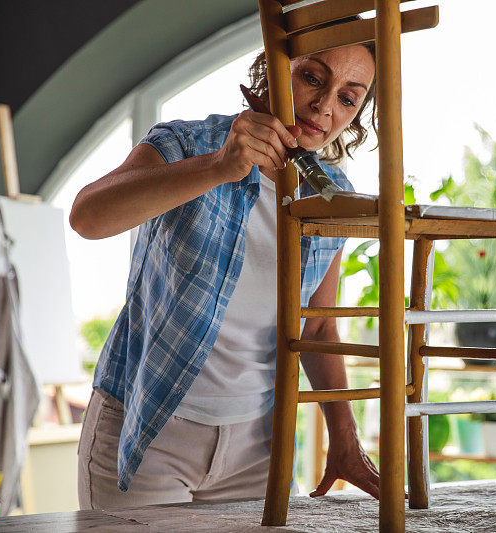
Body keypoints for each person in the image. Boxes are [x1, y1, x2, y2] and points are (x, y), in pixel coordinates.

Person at [72, 42, 380, 509]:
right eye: (313, 78)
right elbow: (87, 217)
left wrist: (344, 437)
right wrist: (218, 167)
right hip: (144, 428)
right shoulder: (186, 143)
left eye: (348, 98)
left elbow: (317, 325)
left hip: (259, 446)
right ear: (273, 69)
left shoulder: (333, 193)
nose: (324, 105)